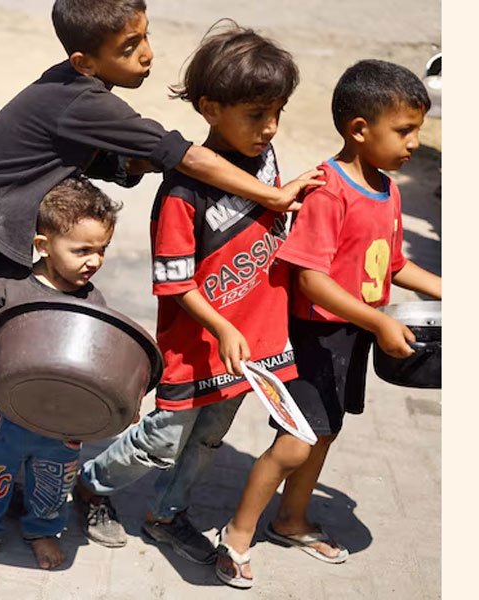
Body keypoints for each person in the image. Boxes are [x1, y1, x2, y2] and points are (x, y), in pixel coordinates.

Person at [0, 0, 324, 552]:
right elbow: (186, 158)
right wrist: (274, 194)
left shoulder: (80, 95)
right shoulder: (79, 98)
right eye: (128, 48)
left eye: (144, 37)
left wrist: (133, 163)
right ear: (84, 61)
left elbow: (106, 159)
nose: (147, 54)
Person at [73, 22, 315, 563]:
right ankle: (89, 485)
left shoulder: (268, 166)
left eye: (278, 113)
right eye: (256, 115)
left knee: (208, 439)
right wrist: (224, 325)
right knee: (162, 440)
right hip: (198, 346)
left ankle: (166, 516)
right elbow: (175, 282)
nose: (270, 128)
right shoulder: (183, 193)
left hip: (250, 350)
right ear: (209, 109)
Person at [214, 58, 442, 588]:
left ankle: (290, 520)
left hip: (349, 335)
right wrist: (380, 323)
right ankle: (236, 537)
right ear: (359, 130)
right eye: (404, 131)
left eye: (418, 132)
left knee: (325, 435)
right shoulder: (329, 189)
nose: (414, 144)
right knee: (294, 443)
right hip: (311, 337)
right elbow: (311, 282)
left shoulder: (387, 189)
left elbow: (394, 263)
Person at [0, 177, 120, 570]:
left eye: (102, 250)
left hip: (62, 421)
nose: (94, 261)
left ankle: (42, 530)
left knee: (54, 482)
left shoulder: (93, 300)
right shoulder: (9, 290)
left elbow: (105, 350)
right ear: (43, 246)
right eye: (82, 250)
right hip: (2, 414)